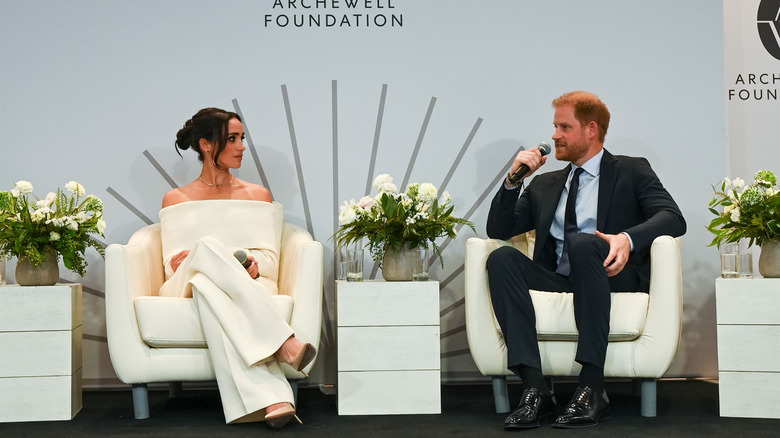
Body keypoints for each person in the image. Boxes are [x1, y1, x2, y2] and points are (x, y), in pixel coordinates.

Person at [485, 91, 686, 429]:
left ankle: (593, 387)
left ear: (591, 130)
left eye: (564, 127)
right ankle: (536, 389)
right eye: (554, 126)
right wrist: (512, 180)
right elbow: (499, 228)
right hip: (561, 277)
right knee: (502, 258)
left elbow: (672, 217)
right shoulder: (544, 184)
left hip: (611, 273)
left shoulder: (631, 170)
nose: (554, 135)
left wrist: (626, 238)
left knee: (583, 244)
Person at [159, 107, 316, 428]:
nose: (242, 146)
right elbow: (171, 265)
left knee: (208, 287)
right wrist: (181, 261)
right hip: (182, 286)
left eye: (242, 138)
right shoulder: (175, 199)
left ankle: (274, 400)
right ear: (206, 145)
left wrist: (255, 267)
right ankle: (284, 343)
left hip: (242, 283)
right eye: (232, 139)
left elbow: (270, 260)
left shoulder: (258, 196)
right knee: (205, 249)